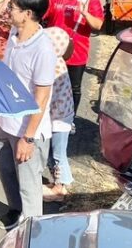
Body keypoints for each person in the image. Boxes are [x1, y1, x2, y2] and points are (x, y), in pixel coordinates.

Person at [0, 0, 57, 229]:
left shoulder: (42, 49)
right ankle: (15, 211)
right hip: (6, 120)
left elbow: (41, 98)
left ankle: (31, 231)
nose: (8, 10)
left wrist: (28, 138)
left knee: (29, 186)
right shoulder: (14, 34)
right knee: (5, 170)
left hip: (28, 130)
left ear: (27, 13)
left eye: (13, 8)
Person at [43, 0, 104, 115]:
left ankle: (70, 118)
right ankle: (49, 114)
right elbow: (42, 13)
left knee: (73, 87)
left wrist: (85, 13)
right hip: (53, 50)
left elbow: (98, 25)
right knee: (48, 84)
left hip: (77, 52)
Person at [43, 27, 75, 202]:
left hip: (59, 117)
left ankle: (60, 187)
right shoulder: (60, 61)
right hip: (62, 114)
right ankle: (58, 183)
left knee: (58, 153)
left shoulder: (51, 66)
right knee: (56, 151)